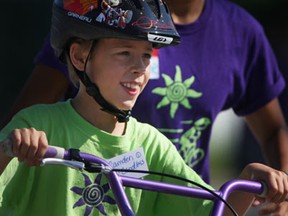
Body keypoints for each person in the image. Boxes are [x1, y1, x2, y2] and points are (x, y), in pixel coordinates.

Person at [1, 0, 288, 215]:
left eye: (146, 57)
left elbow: (213, 212)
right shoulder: (38, 125)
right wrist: (10, 149)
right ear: (78, 56)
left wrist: (247, 180)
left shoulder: (153, 145)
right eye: (124, 53)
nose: (138, 69)